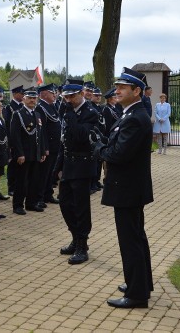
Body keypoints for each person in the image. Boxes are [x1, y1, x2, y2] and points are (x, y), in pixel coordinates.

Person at [93, 67, 154, 309]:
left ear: (136, 91)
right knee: (136, 237)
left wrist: (98, 149)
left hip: (127, 189)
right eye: (117, 87)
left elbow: (118, 154)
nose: (117, 91)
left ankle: (137, 295)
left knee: (131, 240)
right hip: (129, 188)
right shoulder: (130, 114)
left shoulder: (136, 118)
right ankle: (140, 283)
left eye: (122, 88)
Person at [53, 79, 99, 265]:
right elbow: (64, 141)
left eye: (72, 96)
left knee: (81, 207)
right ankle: (75, 236)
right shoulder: (67, 112)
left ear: (81, 94)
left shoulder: (90, 113)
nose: (69, 100)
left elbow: (81, 136)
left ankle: (82, 244)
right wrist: (58, 167)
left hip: (82, 165)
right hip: (68, 162)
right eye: (66, 97)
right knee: (65, 204)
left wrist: (71, 115)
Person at [9, 88, 46, 215]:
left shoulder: (37, 114)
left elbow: (40, 135)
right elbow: (15, 136)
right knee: (21, 181)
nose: (32, 100)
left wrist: (41, 152)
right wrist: (19, 153)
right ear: (24, 99)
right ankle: (18, 205)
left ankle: (31, 203)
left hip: (35, 153)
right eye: (29, 98)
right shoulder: (18, 114)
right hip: (24, 154)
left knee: (34, 180)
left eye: (34, 98)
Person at [35, 83, 61, 206]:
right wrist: (45, 148)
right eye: (52, 93)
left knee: (51, 172)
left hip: (55, 145)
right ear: (44, 94)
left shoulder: (52, 106)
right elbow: (42, 130)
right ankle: (39, 197)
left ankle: (48, 193)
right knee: (43, 173)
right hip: (48, 146)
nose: (54, 95)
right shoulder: (40, 108)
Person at [2, 85, 23, 197]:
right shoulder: (9, 108)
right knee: (13, 166)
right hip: (13, 141)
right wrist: (9, 143)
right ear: (14, 94)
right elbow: (8, 126)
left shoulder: (22, 106)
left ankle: (18, 186)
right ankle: (11, 187)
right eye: (20, 93)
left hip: (21, 140)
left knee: (20, 167)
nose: (22, 95)